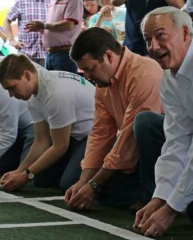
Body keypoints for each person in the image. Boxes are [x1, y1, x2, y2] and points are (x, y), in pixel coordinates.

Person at [133, 6, 193, 238]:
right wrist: (160, 197)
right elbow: (177, 141)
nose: (153, 47)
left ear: (185, 33)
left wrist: (171, 210)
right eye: (147, 39)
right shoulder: (169, 79)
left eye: (161, 36)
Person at [64, 27, 163, 210]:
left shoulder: (144, 73)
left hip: (165, 152)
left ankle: (157, 196)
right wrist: (85, 181)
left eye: (89, 68)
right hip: (137, 155)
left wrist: (95, 184)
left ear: (109, 57)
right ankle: (149, 192)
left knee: (144, 122)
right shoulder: (103, 83)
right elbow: (100, 134)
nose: (87, 76)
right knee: (78, 184)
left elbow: (129, 138)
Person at [0, 54, 95, 193]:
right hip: (76, 137)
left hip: (93, 136)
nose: (11, 95)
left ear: (26, 75)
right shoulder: (33, 93)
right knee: (41, 178)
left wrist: (26, 175)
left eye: (12, 87)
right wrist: (19, 171)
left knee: (69, 184)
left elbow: (60, 146)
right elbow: (42, 140)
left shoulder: (55, 93)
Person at [26, 0, 83, 74]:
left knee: (64, 88)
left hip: (64, 54)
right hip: (50, 53)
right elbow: (50, 25)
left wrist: (44, 26)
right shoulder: (54, 0)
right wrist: (39, 28)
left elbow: (69, 24)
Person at [4, 0, 53, 67]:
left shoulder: (53, 2)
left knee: (45, 80)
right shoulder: (22, 2)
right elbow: (6, 20)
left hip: (46, 53)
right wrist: (12, 40)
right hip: (26, 52)